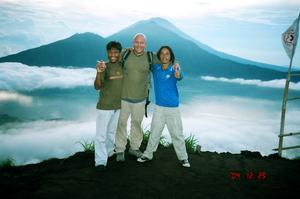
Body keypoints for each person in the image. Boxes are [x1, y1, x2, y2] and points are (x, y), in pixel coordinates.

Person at [137, 46, 190, 168]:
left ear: (171, 56)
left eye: (167, 54)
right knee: (154, 132)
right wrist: (129, 50)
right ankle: (148, 154)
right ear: (159, 56)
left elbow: (179, 75)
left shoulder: (174, 69)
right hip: (159, 108)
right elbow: (144, 57)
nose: (164, 56)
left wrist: (177, 71)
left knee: (177, 134)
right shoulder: (155, 68)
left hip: (173, 109)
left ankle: (183, 158)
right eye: (162, 54)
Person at [114, 33, 159, 162]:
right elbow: (113, 56)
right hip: (123, 97)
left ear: (145, 44)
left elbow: (166, 58)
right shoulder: (125, 54)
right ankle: (120, 150)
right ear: (132, 43)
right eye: (136, 42)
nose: (139, 45)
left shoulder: (151, 56)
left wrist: (176, 64)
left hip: (141, 99)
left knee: (137, 124)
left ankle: (134, 148)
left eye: (142, 43)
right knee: (121, 124)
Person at [94, 41, 123, 171]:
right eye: (110, 52)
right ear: (107, 52)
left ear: (119, 53)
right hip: (104, 107)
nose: (113, 54)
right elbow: (97, 86)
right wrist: (98, 72)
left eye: (116, 52)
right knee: (101, 135)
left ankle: (110, 152)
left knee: (111, 133)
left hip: (118, 106)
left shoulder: (122, 66)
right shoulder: (104, 66)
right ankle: (100, 161)